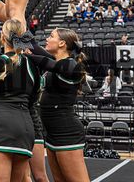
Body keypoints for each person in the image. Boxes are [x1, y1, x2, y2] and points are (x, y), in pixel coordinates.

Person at [0, 19, 40, 182]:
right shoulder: (32, 64)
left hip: (2, 126)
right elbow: (34, 98)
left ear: (2, 37)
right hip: (26, 129)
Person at [27, 28, 90, 182]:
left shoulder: (71, 65)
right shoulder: (57, 62)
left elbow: (44, 62)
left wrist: (24, 55)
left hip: (66, 132)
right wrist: (17, 24)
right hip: (52, 132)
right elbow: (33, 45)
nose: (47, 39)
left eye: (51, 36)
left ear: (62, 43)